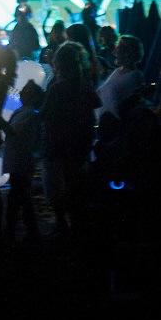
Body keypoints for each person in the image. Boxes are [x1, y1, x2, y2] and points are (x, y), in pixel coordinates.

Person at [41, 40, 100, 233]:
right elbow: (93, 109)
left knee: (57, 189)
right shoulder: (85, 85)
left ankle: (63, 226)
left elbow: (47, 115)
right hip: (80, 143)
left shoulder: (58, 88)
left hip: (58, 144)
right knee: (77, 188)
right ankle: (78, 229)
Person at [3, 79, 44, 241]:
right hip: (20, 160)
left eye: (25, 91)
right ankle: (30, 230)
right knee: (22, 196)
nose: (21, 92)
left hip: (19, 160)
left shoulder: (28, 113)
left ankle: (14, 230)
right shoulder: (27, 112)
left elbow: (14, 132)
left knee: (17, 196)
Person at [97, 33, 145, 119]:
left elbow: (128, 104)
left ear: (127, 52)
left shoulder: (135, 75)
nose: (114, 52)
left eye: (118, 48)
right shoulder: (117, 71)